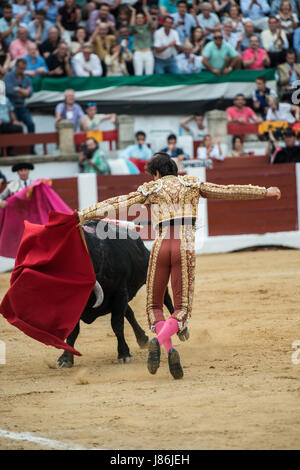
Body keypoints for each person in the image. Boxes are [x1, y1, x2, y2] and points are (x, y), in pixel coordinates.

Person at [78, 153, 281, 379]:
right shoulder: (192, 184)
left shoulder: (151, 189)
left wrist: (82, 215)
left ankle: (169, 348)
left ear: (156, 173)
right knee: (181, 310)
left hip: (159, 248)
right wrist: (264, 191)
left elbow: (116, 203)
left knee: (154, 306)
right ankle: (158, 341)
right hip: (183, 248)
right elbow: (228, 191)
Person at [4, 58, 35, 136]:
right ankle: (13, 148)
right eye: (21, 68)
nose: (22, 71)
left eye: (24, 69)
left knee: (31, 124)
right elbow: (9, 91)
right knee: (15, 127)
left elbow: (30, 93)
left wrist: (18, 89)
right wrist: (24, 91)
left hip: (22, 106)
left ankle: (31, 148)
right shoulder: (8, 76)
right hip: (11, 107)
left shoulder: (26, 78)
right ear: (16, 66)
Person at [129, 3, 154, 76]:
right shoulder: (135, 29)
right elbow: (132, 25)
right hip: (138, 53)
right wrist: (133, 12)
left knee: (149, 74)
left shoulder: (147, 27)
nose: (139, 19)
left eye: (141, 18)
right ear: (136, 19)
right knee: (138, 74)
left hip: (148, 53)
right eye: (137, 18)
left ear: (144, 19)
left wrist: (145, 11)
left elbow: (150, 22)